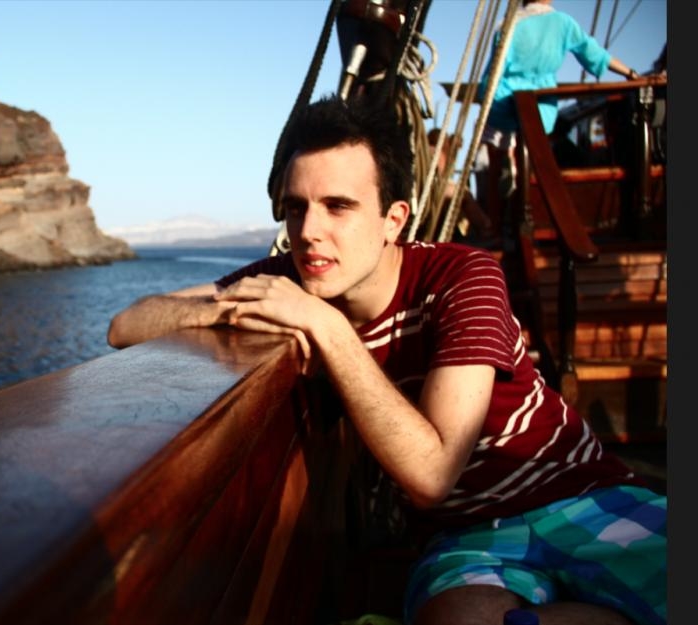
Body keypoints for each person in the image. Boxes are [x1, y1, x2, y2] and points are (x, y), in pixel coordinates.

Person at [107, 94, 666, 625]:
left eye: (338, 207)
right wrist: (236, 308)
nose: (309, 232)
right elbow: (126, 324)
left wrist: (325, 327)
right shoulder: (292, 281)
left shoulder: (461, 276)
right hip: (466, 537)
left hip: (577, 494)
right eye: (296, 208)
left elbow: (432, 473)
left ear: (393, 220)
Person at [473, 0, 640, 225]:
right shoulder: (562, 23)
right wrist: (631, 74)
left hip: (502, 101)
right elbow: (595, 54)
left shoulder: (507, 25)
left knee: (495, 169)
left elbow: (494, 72)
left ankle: (495, 227)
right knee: (530, 164)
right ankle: (529, 222)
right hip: (539, 105)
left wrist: (485, 100)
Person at [426, 127, 493, 239]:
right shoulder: (434, 152)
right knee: (463, 194)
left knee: (461, 192)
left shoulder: (433, 153)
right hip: (432, 191)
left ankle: (479, 228)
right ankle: (485, 227)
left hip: (434, 191)